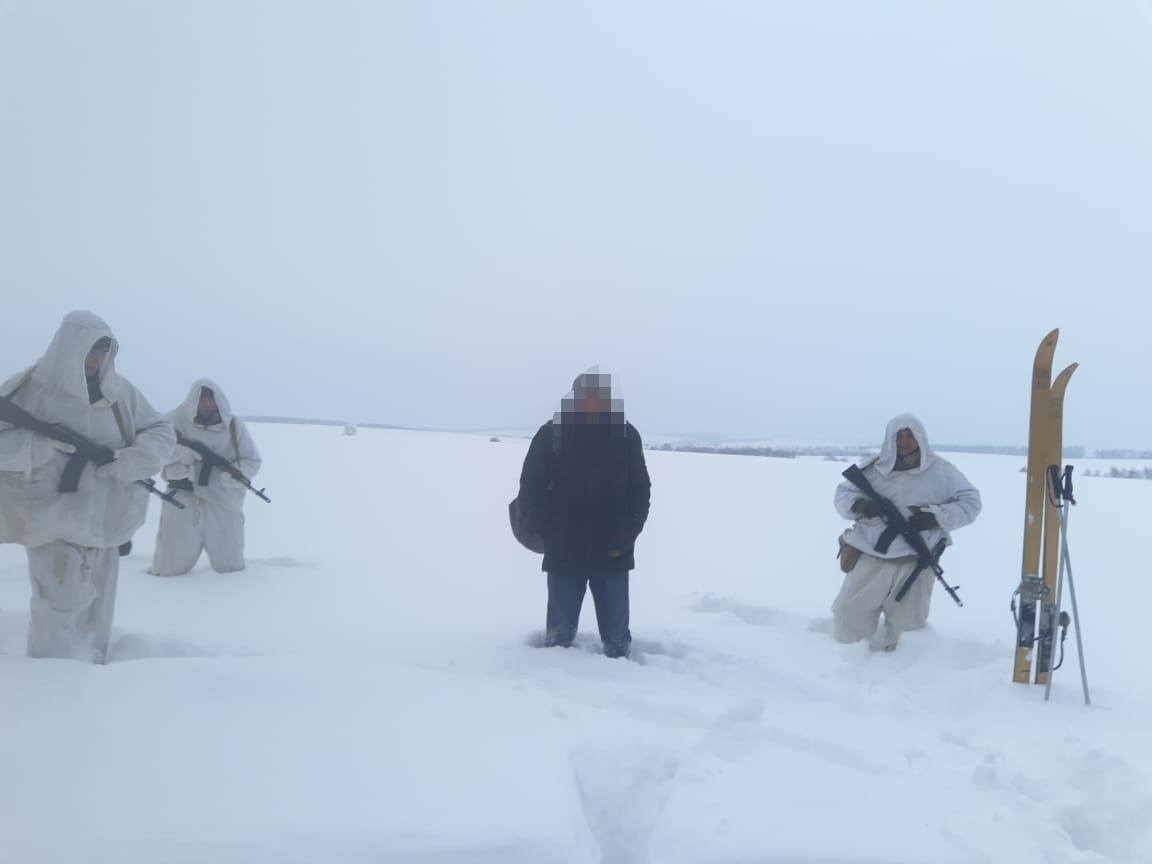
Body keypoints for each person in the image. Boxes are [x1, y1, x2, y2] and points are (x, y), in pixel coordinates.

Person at [0, 311, 175, 663]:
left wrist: (130, 461)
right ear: (69, 347)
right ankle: (52, 674)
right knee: (59, 603)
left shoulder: (120, 393)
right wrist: (43, 448)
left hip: (105, 520)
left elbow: (160, 430)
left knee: (98, 604)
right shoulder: (31, 390)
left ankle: (91, 669)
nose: (97, 358)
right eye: (91, 349)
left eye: (103, 350)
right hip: (51, 520)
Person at [517, 370, 651, 658]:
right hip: (564, 549)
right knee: (558, 642)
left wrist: (631, 529)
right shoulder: (552, 434)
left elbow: (640, 488)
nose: (593, 402)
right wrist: (546, 529)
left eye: (599, 396)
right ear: (575, 397)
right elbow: (531, 485)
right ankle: (553, 682)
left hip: (614, 548)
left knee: (617, 644)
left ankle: (623, 679)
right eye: (587, 396)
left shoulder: (626, 435)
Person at [832, 413, 981, 651]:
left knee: (908, 628)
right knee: (848, 614)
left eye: (909, 436)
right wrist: (859, 505)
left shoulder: (941, 471)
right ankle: (848, 660)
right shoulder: (873, 468)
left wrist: (936, 517)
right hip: (870, 555)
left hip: (915, 561)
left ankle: (900, 669)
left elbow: (971, 503)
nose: (904, 442)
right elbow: (843, 494)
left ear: (920, 438)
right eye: (898, 436)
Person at [150, 379, 261, 576]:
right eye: (202, 399)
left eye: (211, 398)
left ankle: (233, 592)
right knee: (169, 566)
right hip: (182, 499)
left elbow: (252, 460)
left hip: (223, 501)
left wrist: (237, 474)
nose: (207, 403)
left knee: (231, 568)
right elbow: (152, 451)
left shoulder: (234, 426)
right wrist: (180, 453)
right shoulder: (173, 421)